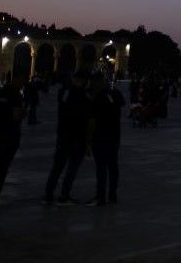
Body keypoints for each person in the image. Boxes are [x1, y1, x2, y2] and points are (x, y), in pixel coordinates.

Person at [43, 72, 90, 206]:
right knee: (72, 168)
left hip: (63, 135)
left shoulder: (63, 92)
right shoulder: (84, 95)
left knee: (57, 166)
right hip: (77, 136)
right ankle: (64, 195)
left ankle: (48, 194)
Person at [86, 74, 124, 206]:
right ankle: (112, 195)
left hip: (101, 137)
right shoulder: (116, 93)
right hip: (115, 136)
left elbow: (92, 120)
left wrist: (89, 141)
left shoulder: (97, 98)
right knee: (113, 166)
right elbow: (121, 104)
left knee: (101, 168)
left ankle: (100, 196)